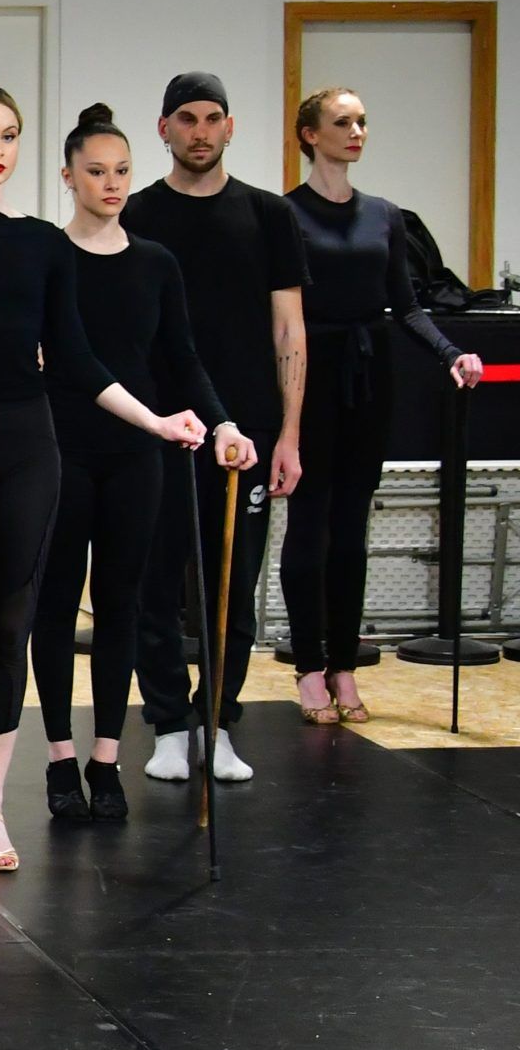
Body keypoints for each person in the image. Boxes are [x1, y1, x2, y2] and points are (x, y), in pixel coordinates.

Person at [0, 87, 204, 868]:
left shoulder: (43, 243)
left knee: (10, 621)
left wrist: (155, 420)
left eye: (8, 135)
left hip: (25, 441)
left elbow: (77, 357)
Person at [33, 105, 248, 820]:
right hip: (62, 449)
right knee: (56, 604)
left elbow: (181, 358)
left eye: (122, 170)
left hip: (136, 456)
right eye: (96, 171)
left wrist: (222, 421)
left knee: (122, 603)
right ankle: (59, 757)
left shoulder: (156, 263)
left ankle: (107, 757)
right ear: (68, 177)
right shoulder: (50, 256)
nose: (112, 183)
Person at [121, 72, 309, 784]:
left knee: (233, 585)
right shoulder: (136, 212)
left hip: (248, 431)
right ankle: (170, 723)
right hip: (158, 428)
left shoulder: (269, 215)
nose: (199, 132)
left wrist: (288, 434)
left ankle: (218, 721)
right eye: (186, 119)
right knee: (155, 583)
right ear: (163, 128)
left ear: (229, 127)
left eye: (211, 119)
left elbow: (289, 329)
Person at [282, 88, 481, 722]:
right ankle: (308, 668)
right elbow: (277, 313)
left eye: (362, 121)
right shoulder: (285, 214)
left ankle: (344, 664)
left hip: (370, 377)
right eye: (342, 122)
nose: (357, 131)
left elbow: (408, 304)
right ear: (310, 134)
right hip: (310, 376)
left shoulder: (385, 215)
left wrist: (450, 352)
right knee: (309, 524)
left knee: (351, 528)